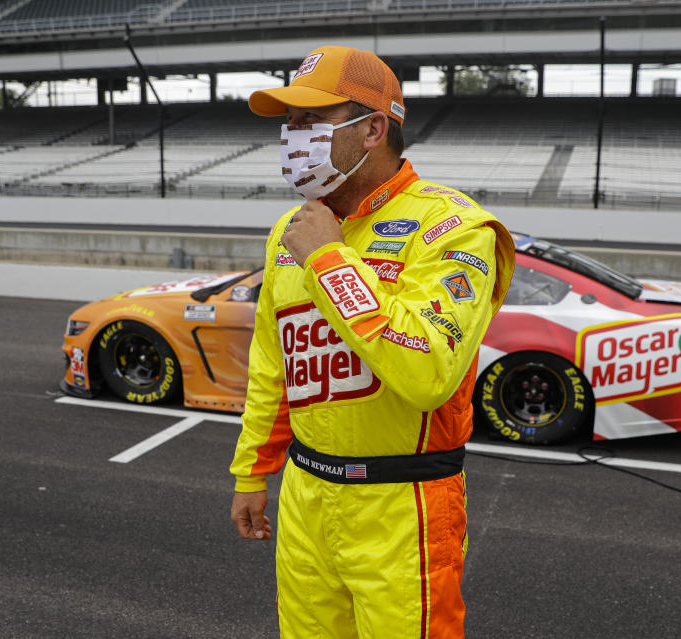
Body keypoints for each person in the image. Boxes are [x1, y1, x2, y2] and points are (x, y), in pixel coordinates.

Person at [229, 45, 515, 638]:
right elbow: (273, 366)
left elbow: (428, 372)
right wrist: (252, 473)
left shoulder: (454, 227)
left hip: (403, 501)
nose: (292, 136)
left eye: (310, 120)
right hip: (305, 497)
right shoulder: (290, 229)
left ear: (373, 129)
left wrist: (331, 261)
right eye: (289, 122)